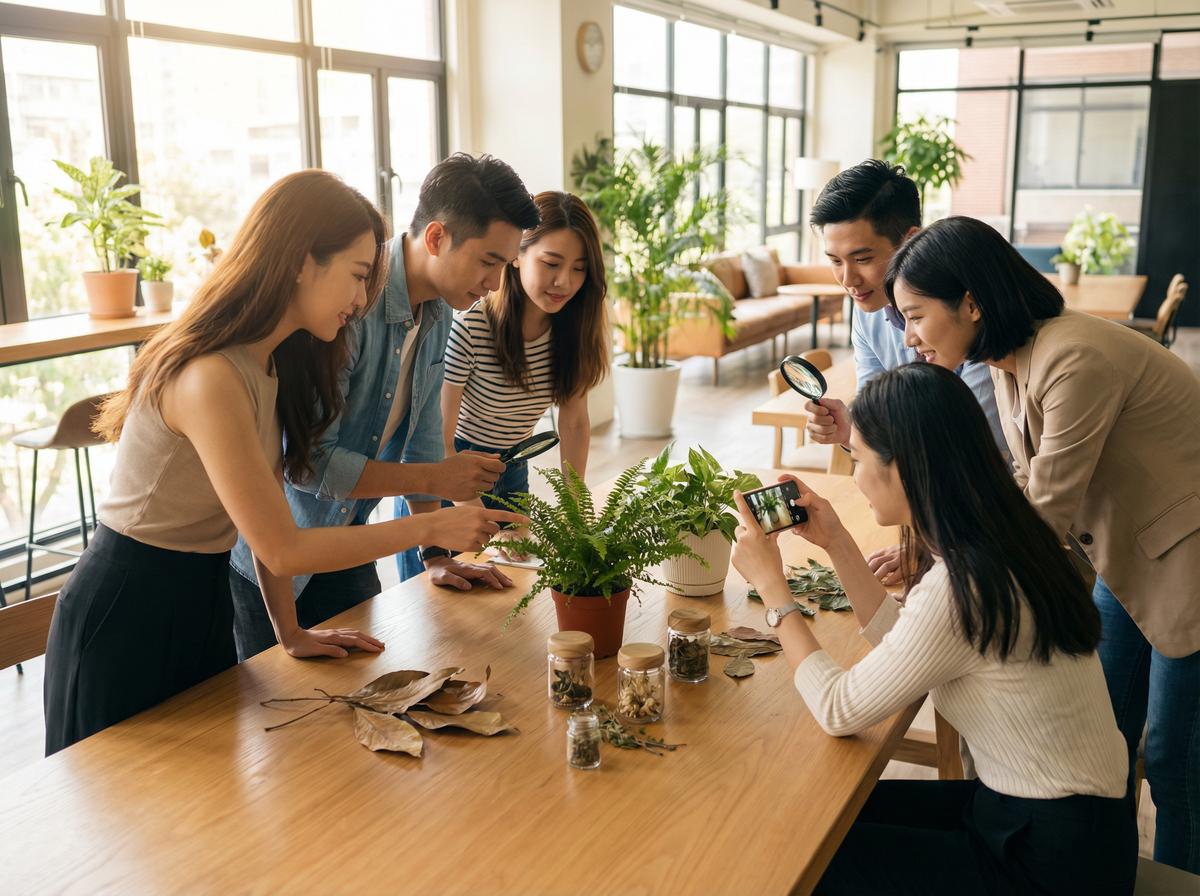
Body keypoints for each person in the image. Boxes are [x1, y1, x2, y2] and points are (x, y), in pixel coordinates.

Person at [43, 170, 524, 754]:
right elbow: (281, 547)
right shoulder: (211, 375)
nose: (362, 299)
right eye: (356, 276)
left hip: (202, 598)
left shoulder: (269, 366)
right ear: (301, 262)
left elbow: (271, 517)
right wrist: (431, 525)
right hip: (128, 608)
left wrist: (289, 632)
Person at [732, 363, 1135, 894]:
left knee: (803, 852)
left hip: (1047, 860)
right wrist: (837, 543)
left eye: (860, 457)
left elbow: (839, 709)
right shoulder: (1005, 537)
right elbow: (917, 644)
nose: (855, 474)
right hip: (1066, 823)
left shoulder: (961, 584)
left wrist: (775, 592)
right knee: (818, 819)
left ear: (905, 468)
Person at [885, 214, 1200, 873]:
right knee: (1107, 738)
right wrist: (931, 558)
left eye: (915, 315)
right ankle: (1101, 871)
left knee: (1174, 763)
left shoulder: (1073, 356)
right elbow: (1018, 485)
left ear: (970, 303)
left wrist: (938, 591)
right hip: (1128, 555)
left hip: (1187, 557)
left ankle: (1175, 877)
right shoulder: (1006, 359)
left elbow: (1043, 515)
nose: (909, 336)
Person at [227, 154, 542, 661]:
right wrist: (435, 488)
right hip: (274, 563)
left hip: (351, 537)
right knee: (282, 724)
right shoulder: (346, 305)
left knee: (367, 692)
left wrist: (434, 553)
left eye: (506, 266)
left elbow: (419, 441)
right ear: (437, 238)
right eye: (489, 262)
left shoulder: (439, 310)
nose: (496, 283)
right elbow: (310, 467)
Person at [804, 160, 1008, 587]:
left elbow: (973, 450)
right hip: (944, 524)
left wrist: (927, 545)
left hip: (996, 529)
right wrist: (853, 431)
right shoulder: (868, 312)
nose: (848, 280)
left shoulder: (961, 318)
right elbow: (888, 422)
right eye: (834, 261)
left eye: (862, 258)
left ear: (909, 241)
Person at [441, 191, 607, 545]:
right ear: (516, 255)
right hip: (451, 472)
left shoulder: (573, 332)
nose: (565, 281)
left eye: (579, 269)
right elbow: (437, 438)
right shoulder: (471, 326)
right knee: (438, 597)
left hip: (512, 468)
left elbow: (574, 423)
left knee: (512, 588)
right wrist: (474, 512)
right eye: (551, 263)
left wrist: (574, 512)